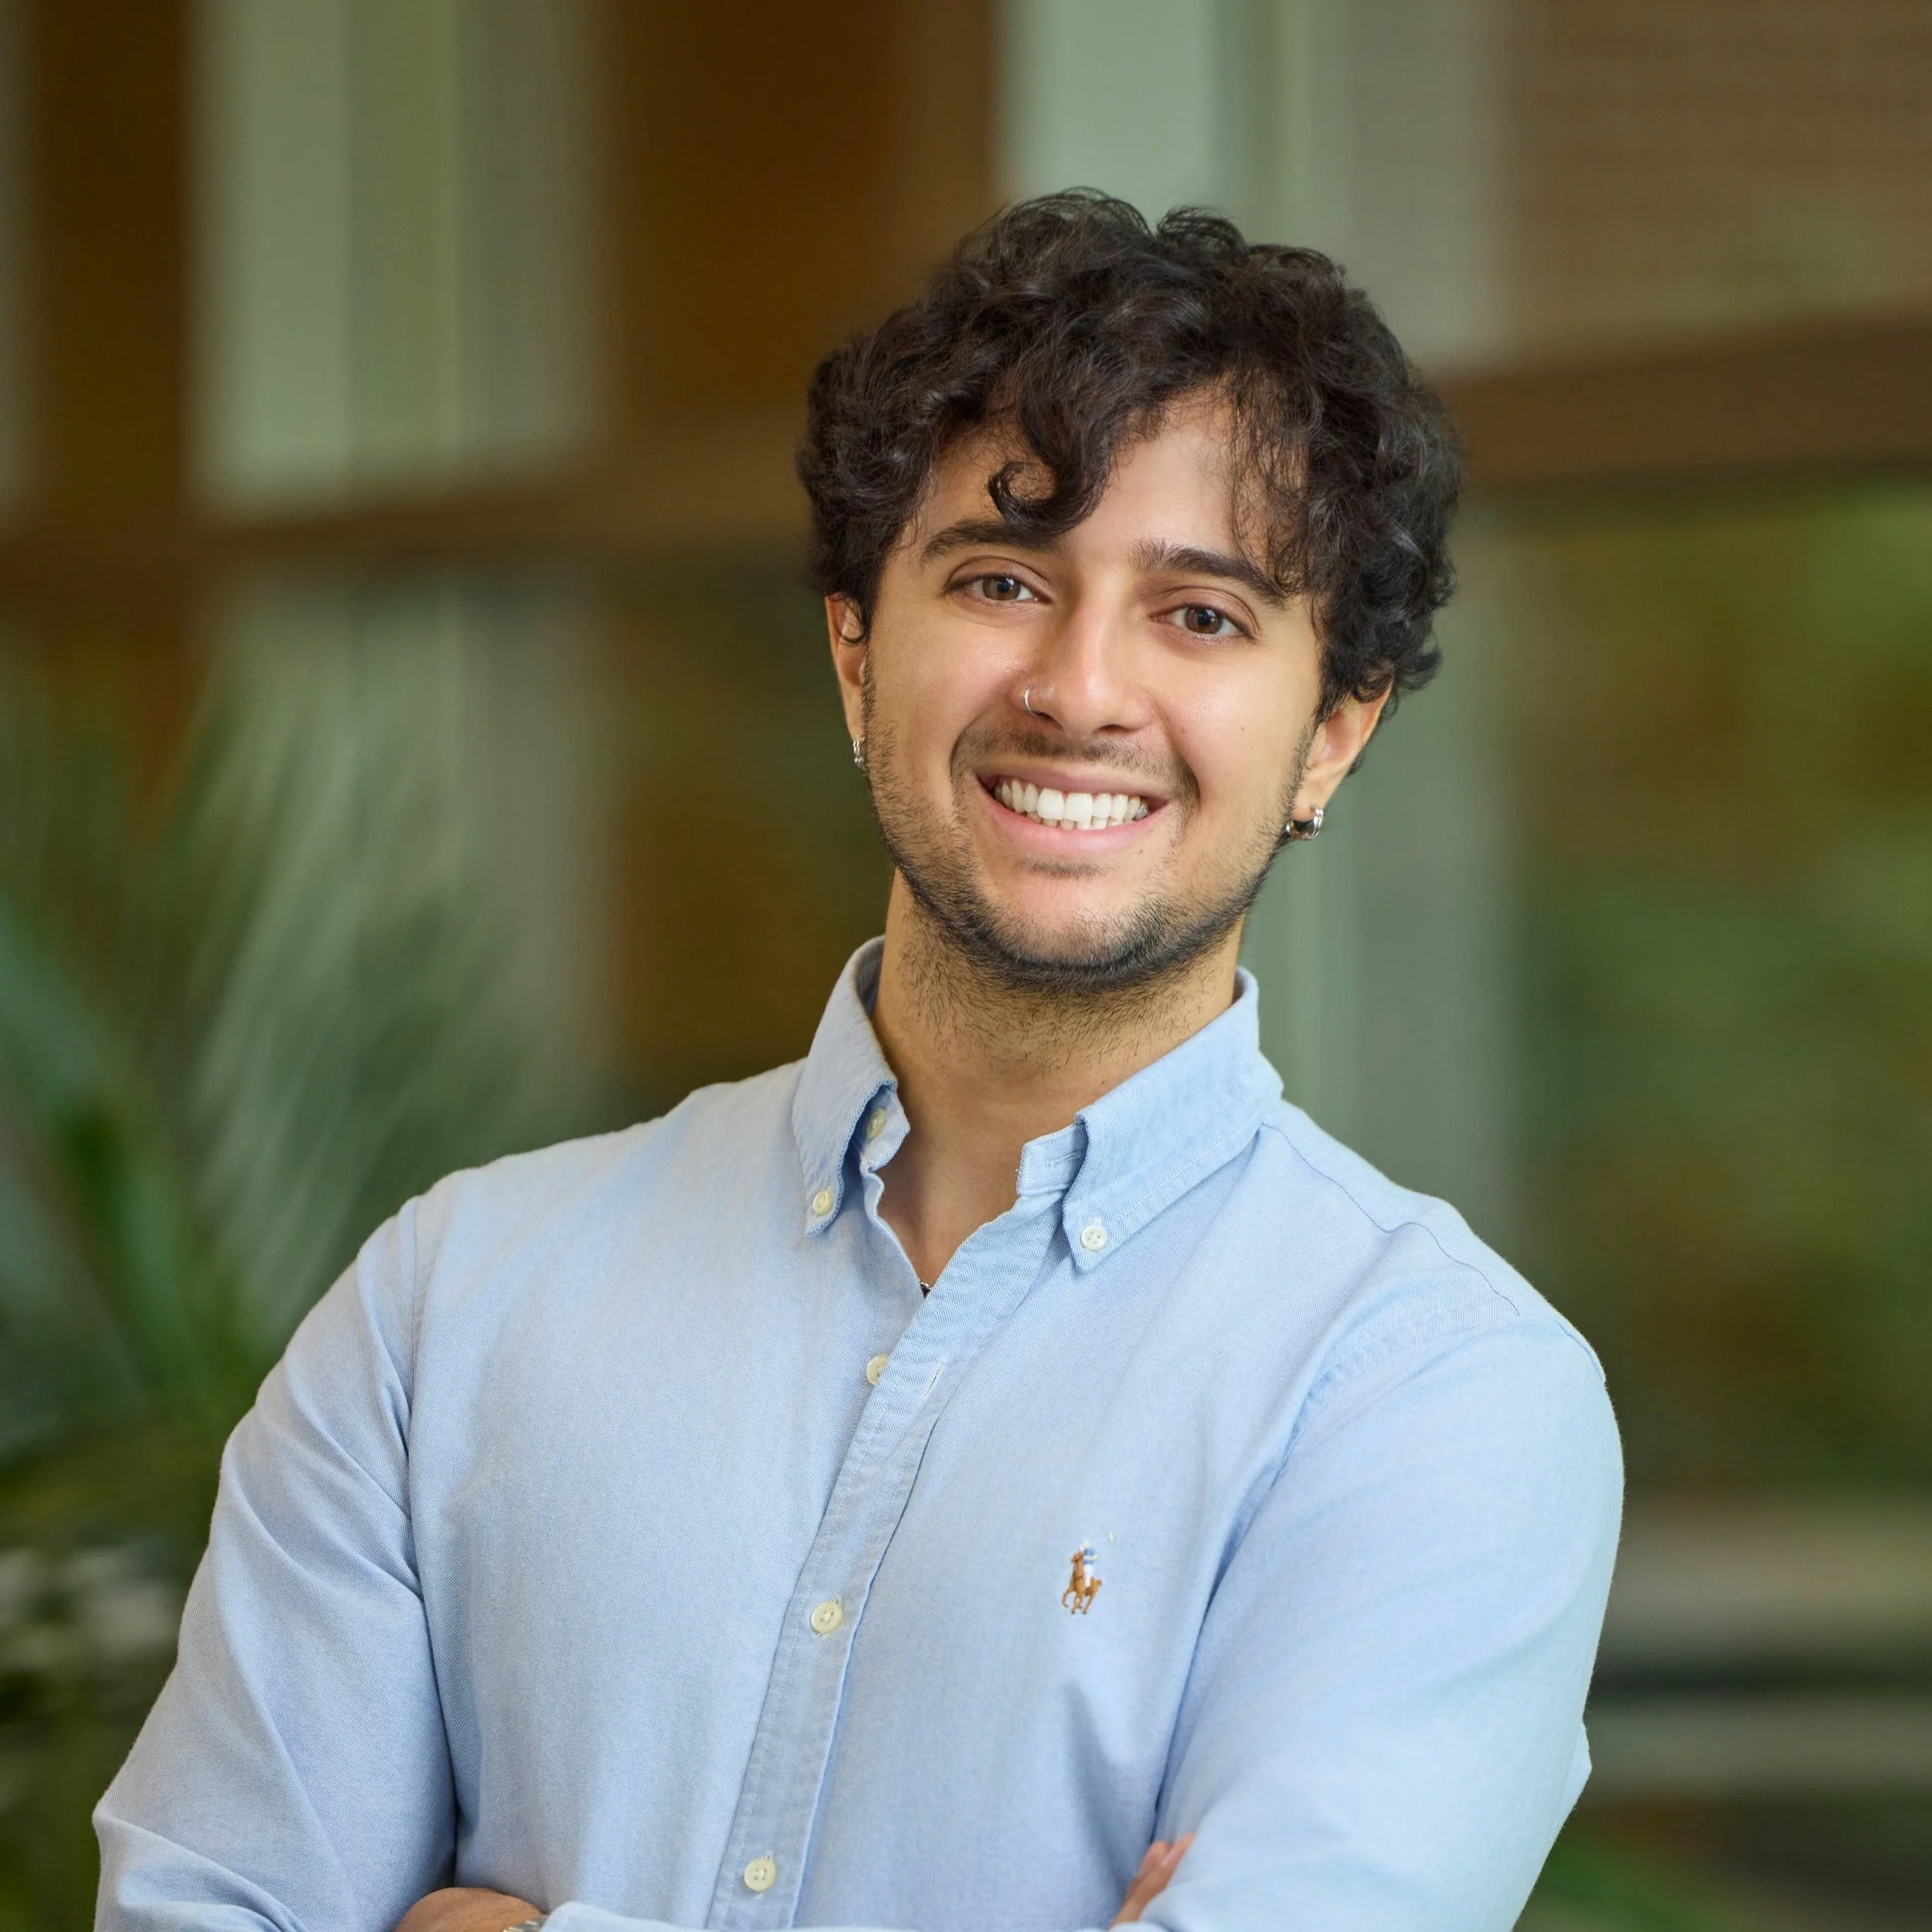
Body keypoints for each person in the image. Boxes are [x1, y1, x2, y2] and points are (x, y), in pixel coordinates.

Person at [95, 192, 1621, 1932]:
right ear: (852, 651)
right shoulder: (450, 1305)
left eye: (1199, 615)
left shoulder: (1429, 1394)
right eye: (998, 578)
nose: (1078, 686)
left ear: (1329, 734)